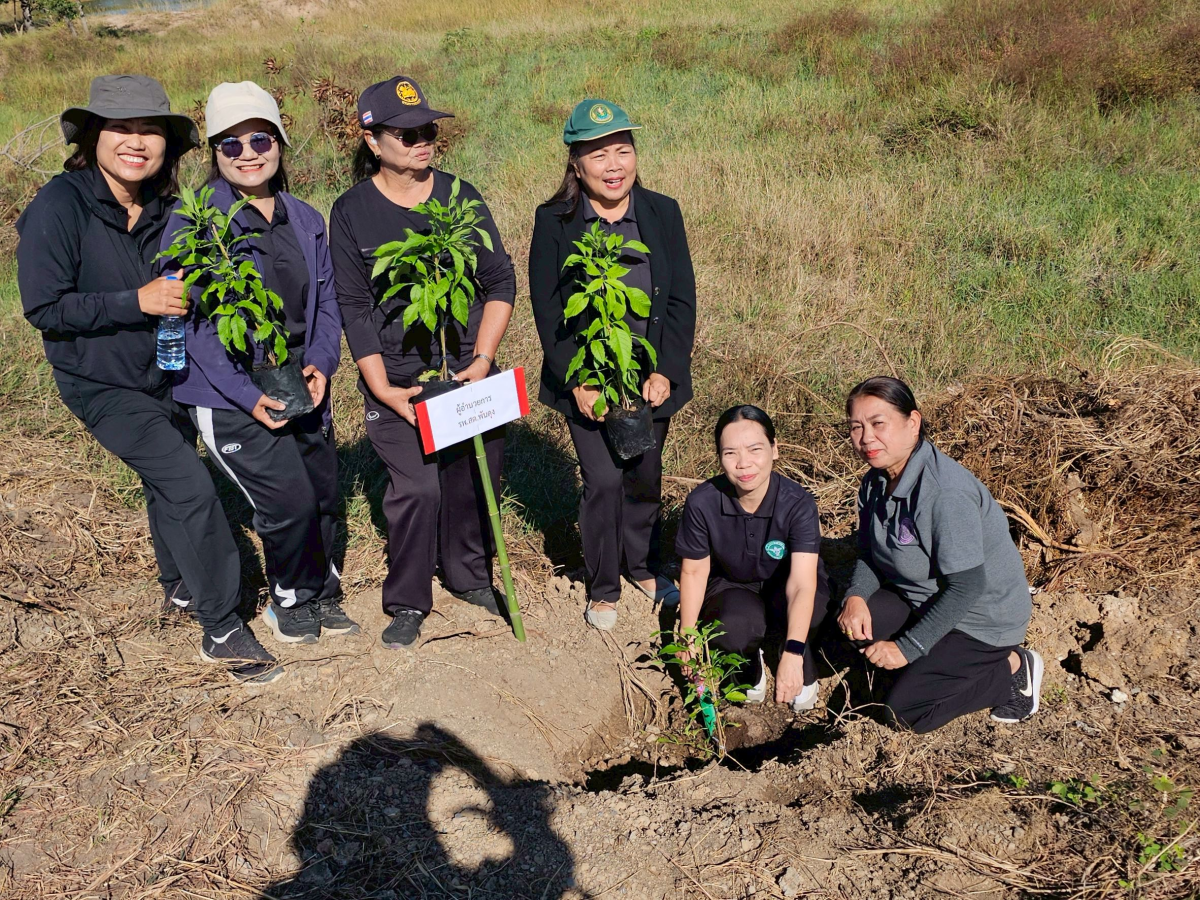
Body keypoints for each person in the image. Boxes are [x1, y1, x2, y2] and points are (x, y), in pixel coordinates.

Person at [16, 75, 279, 684]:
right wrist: (136, 302)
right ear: (93, 137)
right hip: (102, 385)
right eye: (121, 129)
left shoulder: (168, 209)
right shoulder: (60, 206)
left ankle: (180, 588)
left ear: (167, 145)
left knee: (168, 484)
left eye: (150, 131)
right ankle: (222, 625)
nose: (136, 142)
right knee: (190, 486)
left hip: (167, 374)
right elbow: (45, 309)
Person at [161, 81, 357, 646]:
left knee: (321, 492)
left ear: (279, 142)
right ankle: (288, 600)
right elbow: (192, 326)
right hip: (227, 394)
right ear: (215, 155)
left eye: (260, 138)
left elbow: (328, 297)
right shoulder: (196, 224)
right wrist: (248, 395)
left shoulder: (305, 218)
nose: (248, 153)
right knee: (286, 500)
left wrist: (321, 361)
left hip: (301, 379)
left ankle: (320, 589)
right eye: (231, 144)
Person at [329, 75, 516, 649]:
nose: (422, 141)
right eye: (406, 133)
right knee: (418, 491)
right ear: (371, 141)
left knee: (471, 480)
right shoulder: (353, 212)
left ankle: (467, 575)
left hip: (465, 375)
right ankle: (408, 599)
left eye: (428, 129)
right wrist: (384, 390)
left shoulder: (461, 198)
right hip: (400, 383)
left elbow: (498, 280)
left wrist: (482, 358)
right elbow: (355, 307)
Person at [529, 99, 696, 631]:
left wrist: (664, 370)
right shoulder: (554, 221)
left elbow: (680, 300)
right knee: (603, 481)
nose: (614, 164)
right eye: (598, 154)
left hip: (648, 376)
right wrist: (576, 380)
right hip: (588, 381)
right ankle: (603, 585)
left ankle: (643, 565)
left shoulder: (662, 212)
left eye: (623, 150)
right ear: (575, 163)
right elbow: (549, 308)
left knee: (644, 474)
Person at [838, 376, 1041, 733]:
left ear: (912, 423)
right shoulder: (875, 480)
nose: (867, 437)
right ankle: (923, 667)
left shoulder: (945, 494)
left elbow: (967, 587)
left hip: (979, 620)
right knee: (851, 627)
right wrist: (855, 595)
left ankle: (1010, 670)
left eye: (878, 423)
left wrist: (907, 648)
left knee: (905, 712)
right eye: (857, 427)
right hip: (923, 597)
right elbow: (870, 552)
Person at [675, 406, 830, 709]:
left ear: (775, 449)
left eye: (755, 449)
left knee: (816, 606)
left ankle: (802, 662)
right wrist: (688, 633)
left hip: (785, 582)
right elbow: (694, 572)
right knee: (733, 625)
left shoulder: (797, 502)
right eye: (730, 453)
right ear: (719, 457)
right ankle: (749, 667)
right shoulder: (702, 503)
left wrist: (794, 652)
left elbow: (801, 582)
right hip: (734, 585)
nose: (744, 463)